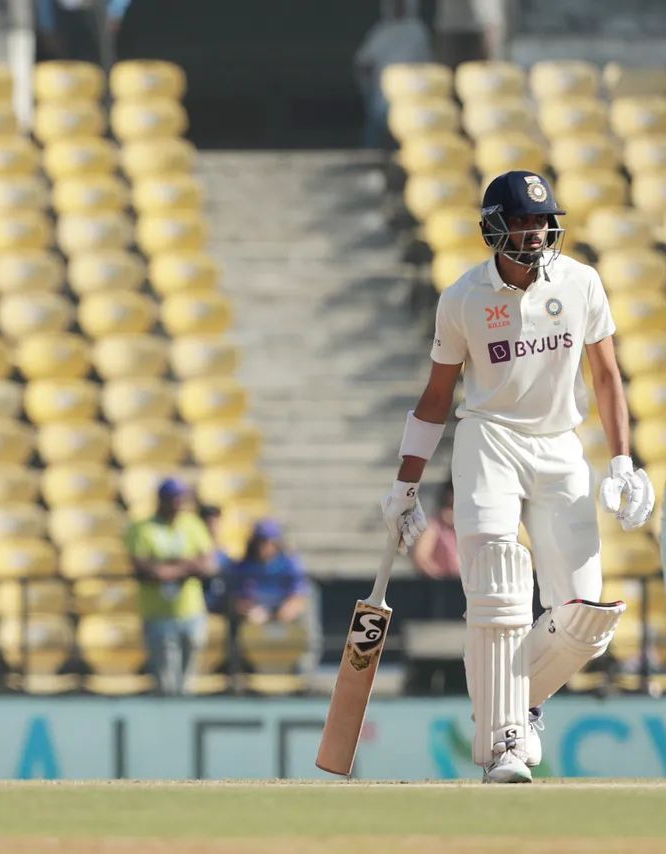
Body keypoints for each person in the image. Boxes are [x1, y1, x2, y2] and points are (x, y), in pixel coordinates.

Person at [381, 170, 652, 783]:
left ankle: (515, 708)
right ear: (494, 228)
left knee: (587, 621)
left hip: (560, 445)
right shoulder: (463, 299)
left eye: (540, 220)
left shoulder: (582, 282)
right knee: (498, 581)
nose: (533, 232)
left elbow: (607, 377)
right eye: (522, 221)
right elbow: (435, 398)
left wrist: (621, 460)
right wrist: (405, 484)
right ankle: (505, 742)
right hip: (489, 440)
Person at [125, 478, 217, 696]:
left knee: (187, 680)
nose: (178, 503)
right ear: (162, 500)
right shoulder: (142, 528)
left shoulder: (192, 525)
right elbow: (145, 569)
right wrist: (185, 565)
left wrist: (168, 569)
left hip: (191, 611)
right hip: (158, 614)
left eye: (180, 498)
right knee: (166, 681)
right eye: (173, 498)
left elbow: (207, 565)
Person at [354, 0, 434, 149]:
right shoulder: (381, 30)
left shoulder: (417, 31)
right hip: (381, 91)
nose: (398, 8)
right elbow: (365, 60)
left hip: (412, 92)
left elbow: (425, 62)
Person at [411, 481, 460, 580]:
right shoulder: (434, 527)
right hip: (446, 585)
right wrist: (441, 579)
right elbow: (421, 558)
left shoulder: (467, 528)